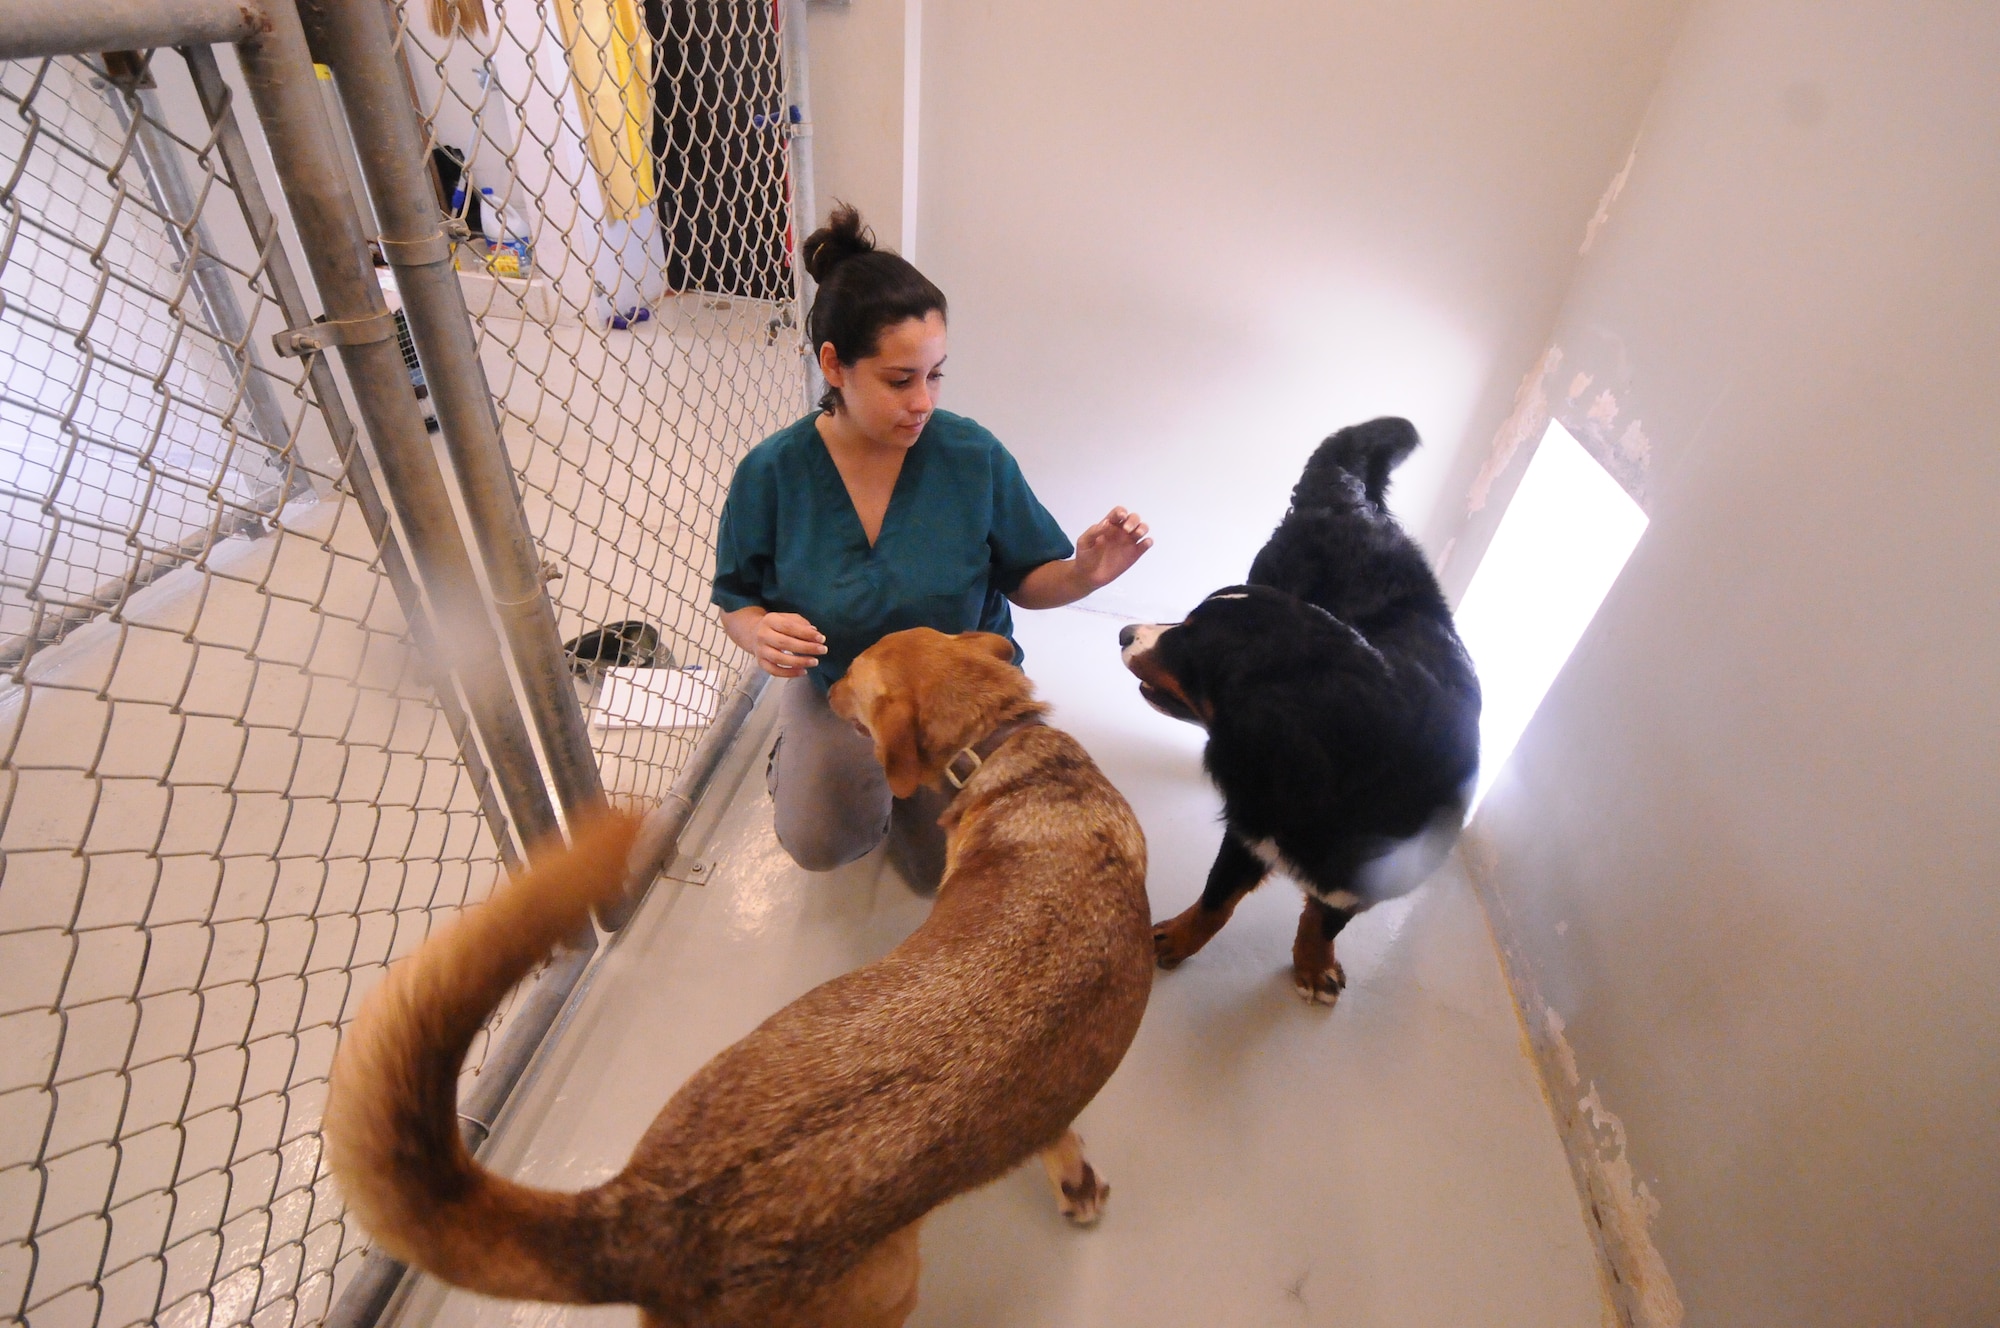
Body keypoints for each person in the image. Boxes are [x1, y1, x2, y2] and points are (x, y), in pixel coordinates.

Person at [711, 205, 1151, 890]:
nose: (923, 401)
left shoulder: (969, 455)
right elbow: (737, 599)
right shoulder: (772, 474)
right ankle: (795, 754)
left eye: (936, 375)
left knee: (936, 875)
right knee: (822, 841)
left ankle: (891, 792)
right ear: (835, 365)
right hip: (844, 691)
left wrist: (1085, 575)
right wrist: (758, 632)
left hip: (958, 698)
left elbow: (1028, 579)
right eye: (899, 380)